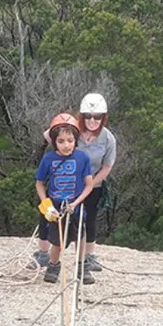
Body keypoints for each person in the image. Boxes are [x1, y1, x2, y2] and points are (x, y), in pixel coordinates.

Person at [30, 93, 117, 273]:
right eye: (88, 116)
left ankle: (88, 257)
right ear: (82, 116)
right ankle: (44, 254)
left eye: (97, 117)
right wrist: (62, 132)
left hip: (91, 182)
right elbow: (50, 134)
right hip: (62, 182)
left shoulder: (108, 139)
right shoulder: (72, 128)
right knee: (50, 219)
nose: (92, 120)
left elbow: (107, 166)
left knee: (87, 221)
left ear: (103, 118)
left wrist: (91, 184)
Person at [35, 112, 95, 284]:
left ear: (76, 140)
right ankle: (54, 266)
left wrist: (76, 203)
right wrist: (46, 204)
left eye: (70, 140)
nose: (66, 145)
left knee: (80, 236)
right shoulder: (48, 159)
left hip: (76, 205)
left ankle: (82, 266)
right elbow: (39, 183)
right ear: (54, 142)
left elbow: (89, 185)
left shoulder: (82, 158)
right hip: (56, 206)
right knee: (57, 240)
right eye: (61, 141)